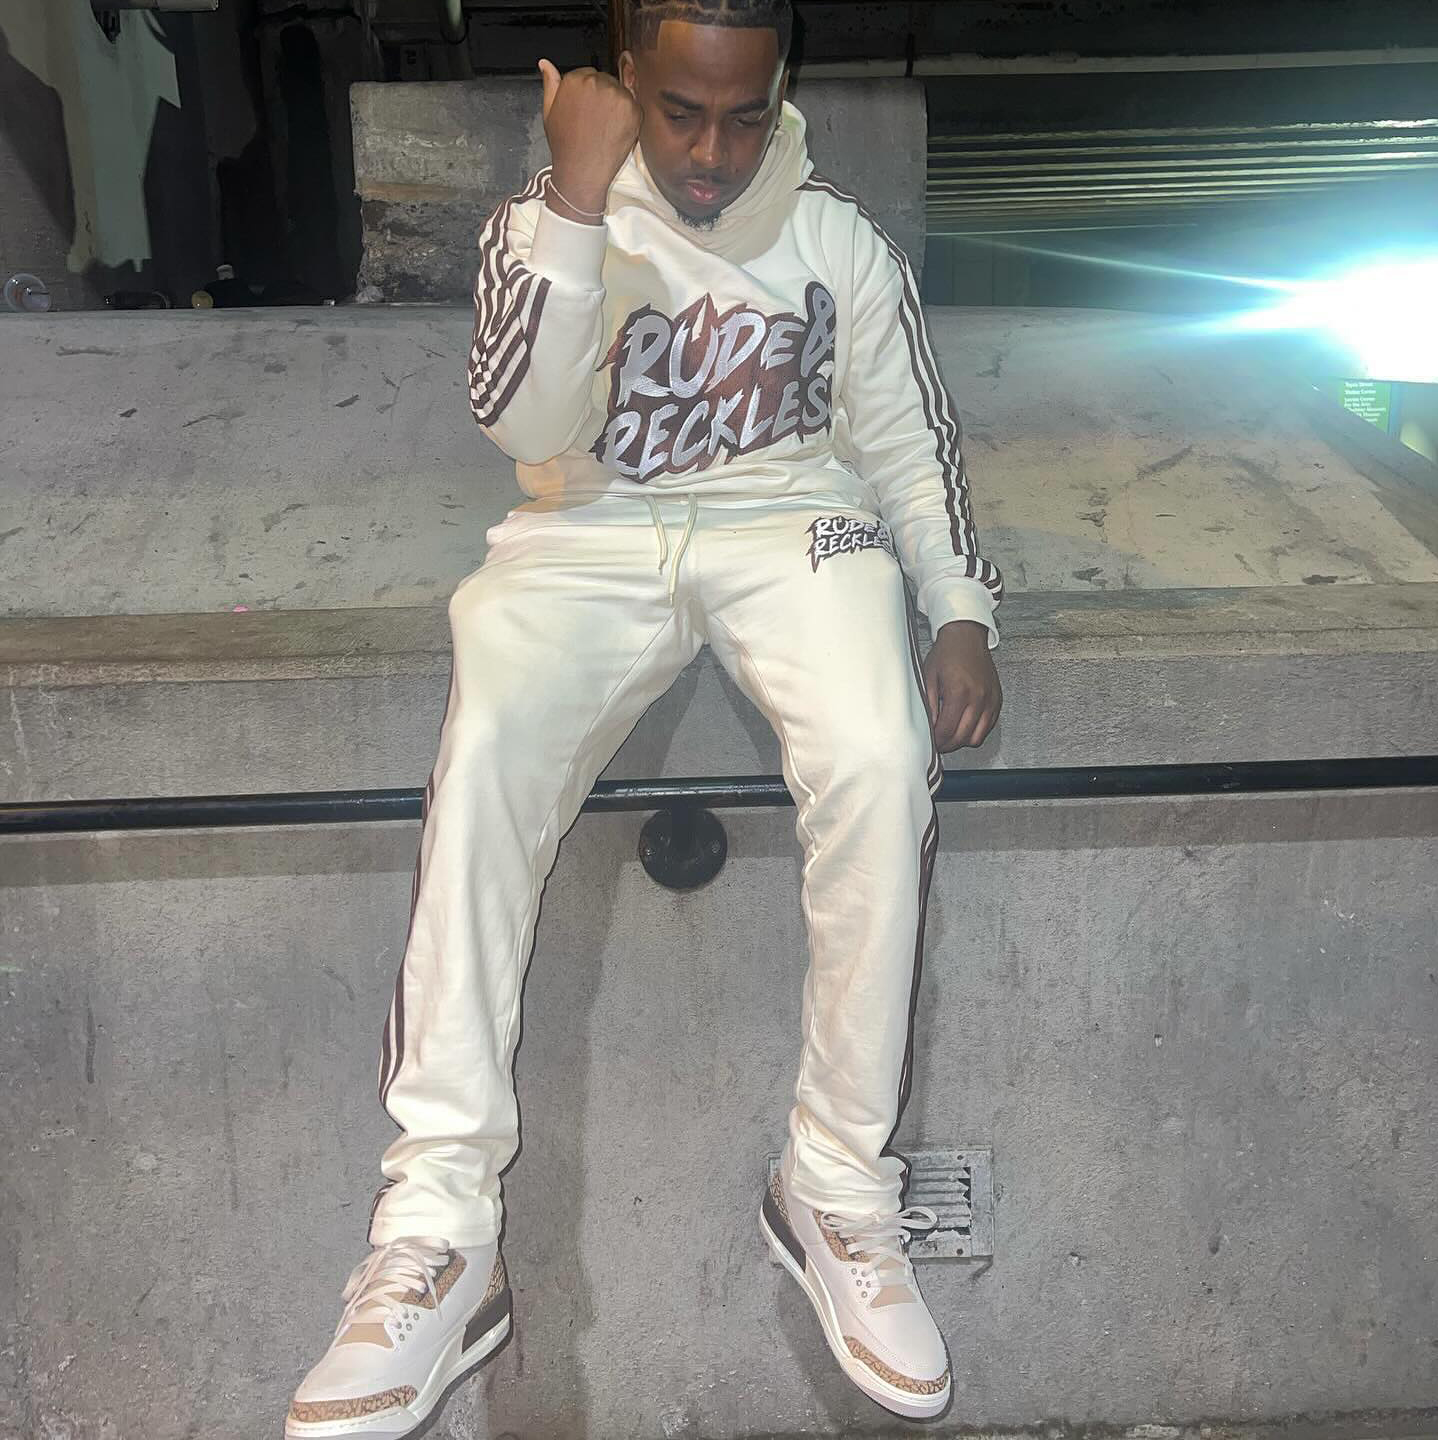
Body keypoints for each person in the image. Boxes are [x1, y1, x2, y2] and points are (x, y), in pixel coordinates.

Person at [287, 1, 1003, 1434]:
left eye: (746, 115)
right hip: (585, 531)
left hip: (791, 524)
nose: (713, 153)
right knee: (486, 755)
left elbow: (906, 442)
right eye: (681, 113)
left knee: (880, 754)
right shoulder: (546, 219)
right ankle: (440, 1233)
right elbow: (522, 421)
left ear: (781, 93)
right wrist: (570, 201)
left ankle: (835, 1188)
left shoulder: (840, 241)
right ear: (624, 81)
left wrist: (959, 605)